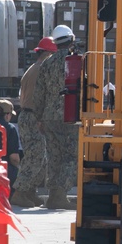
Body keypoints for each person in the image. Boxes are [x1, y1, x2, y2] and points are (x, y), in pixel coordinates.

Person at [33, 25, 79, 210]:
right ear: (71, 40)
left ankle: (53, 195)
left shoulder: (47, 63)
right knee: (73, 156)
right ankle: (59, 193)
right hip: (70, 116)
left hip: (49, 117)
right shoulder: (76, 61)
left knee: (54, 156)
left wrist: (39, 117)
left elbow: (39, 93)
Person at [10, 37, 56, 208]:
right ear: (49, 54)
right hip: (33, 117)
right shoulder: (42, 70)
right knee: (35, 157)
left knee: (38, 157)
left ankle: (29, 192)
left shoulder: (33, 68)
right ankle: (20, 192)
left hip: (29, 115)